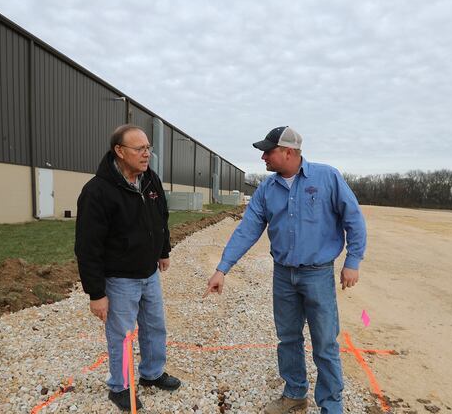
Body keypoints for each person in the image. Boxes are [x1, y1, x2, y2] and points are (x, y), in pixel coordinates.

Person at [204, 126, 367, 414]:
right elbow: (247, 229)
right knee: (288, 338)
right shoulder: (268, 188)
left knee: (325, 342)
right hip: (283, 275)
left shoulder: (327, 177)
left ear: (288, 152)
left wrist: (352, 261)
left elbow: (353, 218)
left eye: (268, 151)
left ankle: (332, 405)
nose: (263, 157)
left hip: (317, 273)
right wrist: (222, 268)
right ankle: (295, 394)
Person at [75, 125, 181, 411]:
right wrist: (96, 293)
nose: (147, 154)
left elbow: (161, 217)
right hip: (120, 279)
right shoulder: (97, 191)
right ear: (119, 152)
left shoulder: (150, 180)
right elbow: (87, 246)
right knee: (121, 335)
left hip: (149, 273)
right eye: (140, 149)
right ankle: (120, 386)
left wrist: (163, 250)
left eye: (148, 148)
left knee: (155, 326)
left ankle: (152, 373)